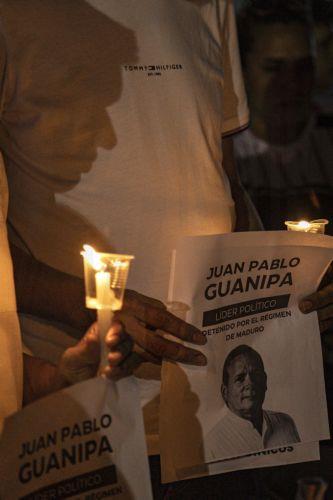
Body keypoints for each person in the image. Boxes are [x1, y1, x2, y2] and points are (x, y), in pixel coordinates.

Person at [1, 1, 333, 498]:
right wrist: (96, 309)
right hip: (79, 404)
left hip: (222, 412)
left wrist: (289, 286)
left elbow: (222, 180)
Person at [235, 1, 333, 231]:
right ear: (243, 71)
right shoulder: (222, 152)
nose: (291, 84)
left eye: (302, 67)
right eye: (273, 68)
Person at [204, 345, 300, 462]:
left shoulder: (286, 423)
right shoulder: (211, 446)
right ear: (225, 392)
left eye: (256, 376)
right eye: (240, 378)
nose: (250, 383)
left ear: (265, 382)